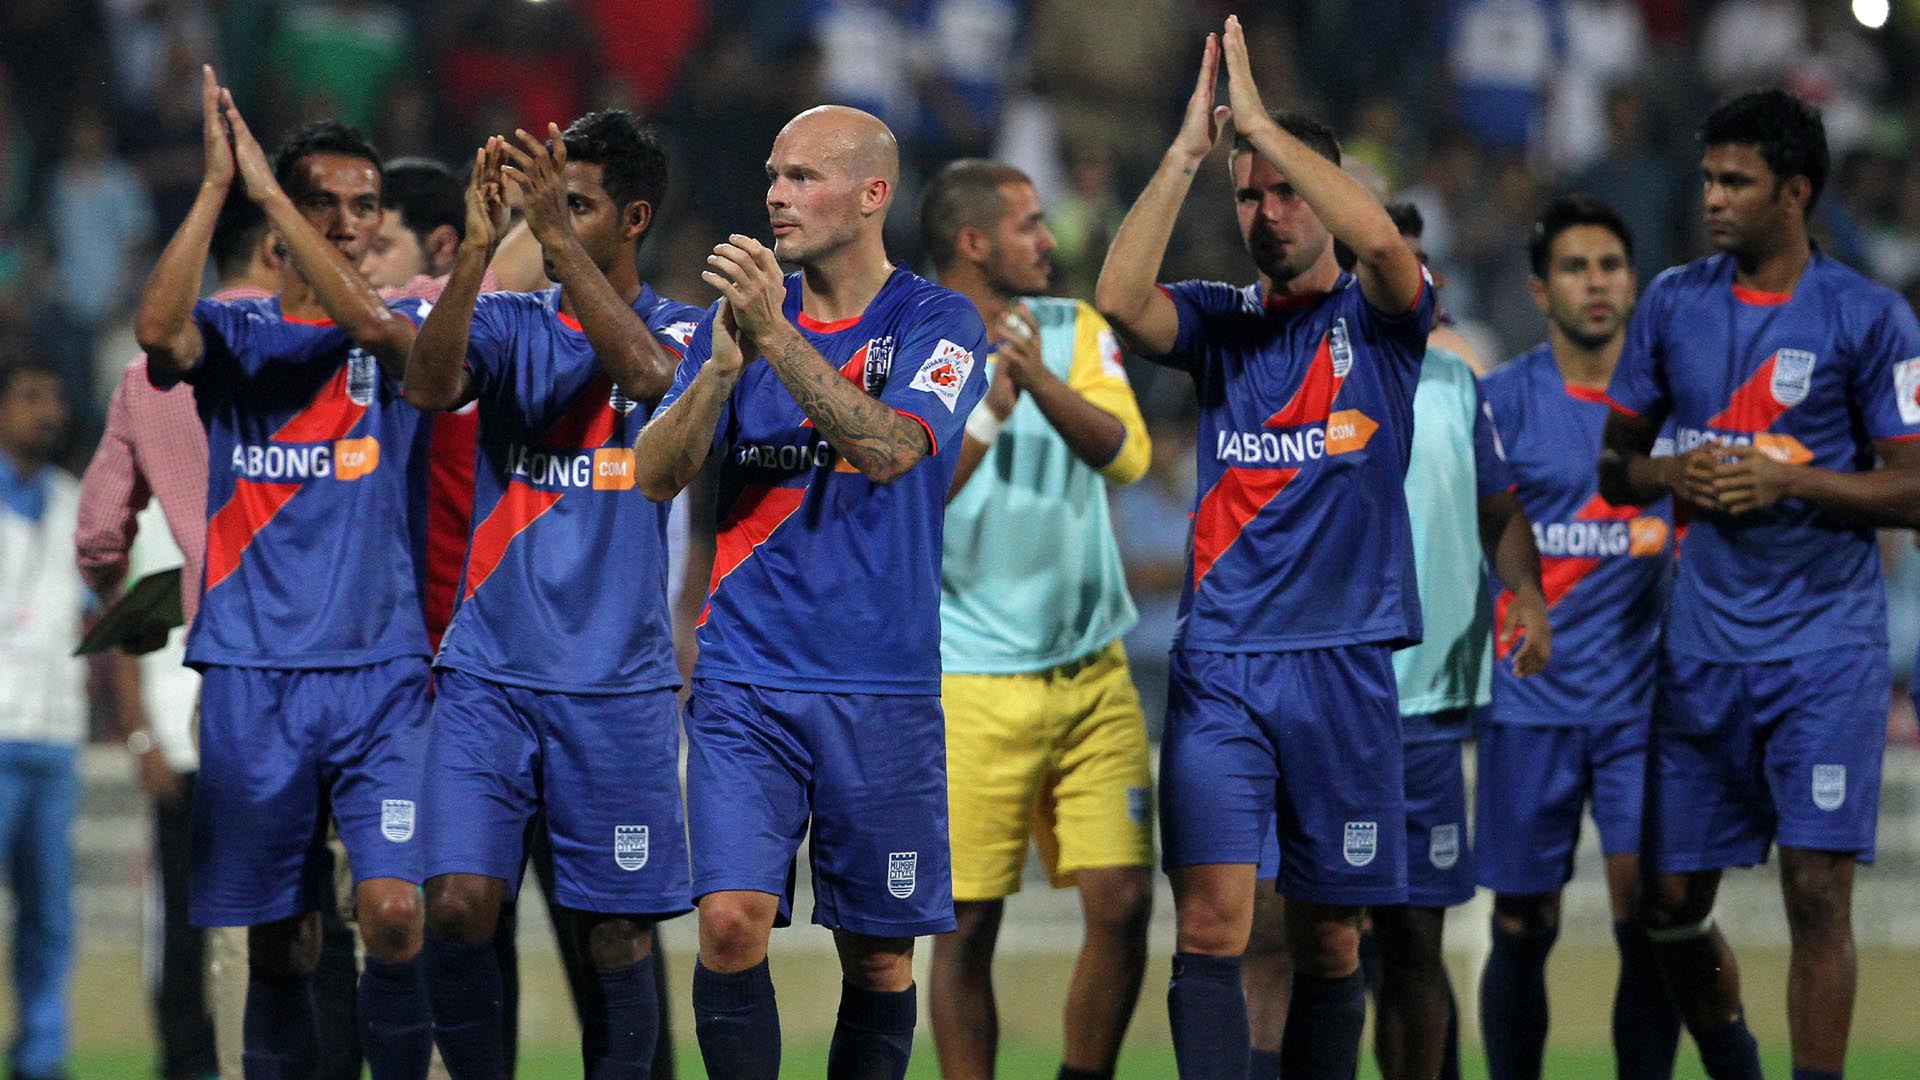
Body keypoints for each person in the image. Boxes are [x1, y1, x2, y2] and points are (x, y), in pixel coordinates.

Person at [1094, 18, 1436, 1077]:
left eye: (1285, 190)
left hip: (1344, 661)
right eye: (1250, 197)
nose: (1267, 213)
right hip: (1226, 667)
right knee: (1210, 925)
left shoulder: (1381, 321)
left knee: (1334, 936)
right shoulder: (1220, 321)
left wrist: (1274, 133)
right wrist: (1191, 153)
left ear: (1324, 193)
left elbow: (1382, 246)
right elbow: (1115, 301)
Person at [632, 104, 987, 1080]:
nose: (775, 196)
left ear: (873, 195)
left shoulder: (939, 322)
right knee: (731, 924)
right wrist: (715, 375)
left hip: (884, 687)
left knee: (878, 958)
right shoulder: (733, 325)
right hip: (748, 679)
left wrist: (779, 340)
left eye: (801, 178)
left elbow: (888, 450)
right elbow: (654, 475)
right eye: (773, 175)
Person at [1600, 88, 1920, 1080]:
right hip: (1700, 653)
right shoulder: (1672, 304)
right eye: (1706, 179)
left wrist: (1793, 479)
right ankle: (1736, 1060)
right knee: (1668, 906)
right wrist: (1668, 474)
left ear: (1795, 192)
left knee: (1816, 893)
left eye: (1735, 181)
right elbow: (1616, 466)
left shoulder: (1871, 317)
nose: (1712, 198)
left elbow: (1915, 488)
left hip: (1824, 650)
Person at [132, 67, 434, 1080]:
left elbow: (375, 328)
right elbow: (155, 333)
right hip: (254, 674)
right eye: (324, 206)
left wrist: (274, 197)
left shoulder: (399, 333)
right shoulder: (237, 333)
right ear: (278, 228)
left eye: (364, 208)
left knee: (394, 913)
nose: (348, 225)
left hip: (380, 674)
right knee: (282, 938)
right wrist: (220, 186)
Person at [406, 111, 701, 1080]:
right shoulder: (507, 321)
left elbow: (649, 378)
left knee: (616, 934)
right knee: (452, 904)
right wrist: (482, 249)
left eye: (576, 206)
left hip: (614, 686)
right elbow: (428, 383)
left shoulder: (688, 331)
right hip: (490, 673)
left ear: (635, 218)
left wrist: (558, 246)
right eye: (549, 204)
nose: (554, 221)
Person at [1240, 202, 1551, 1080]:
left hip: (1425, 705)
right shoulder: (1291, 370)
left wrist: (1524, 590)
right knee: (1282, 930)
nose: (1402, 282)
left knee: (1415, 940)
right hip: (1309, 694)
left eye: (1411, 266)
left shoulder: (1459, 385)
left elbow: (1501, 508)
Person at [918, 158, 1156, 1080]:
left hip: (1094, 672)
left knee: (1126, 902)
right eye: (1028, 224)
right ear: (974, 243)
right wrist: (984, 412)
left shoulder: (1074, 329)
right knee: (968, 922)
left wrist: (1040, 384)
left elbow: (1127, 457)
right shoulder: (912, 346)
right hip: (970, 679)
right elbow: (910, 498)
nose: (1049, 241)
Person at [1478, 193, 1683, 1080]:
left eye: (1609, 265)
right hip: (1532, 701)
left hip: (1645, 707)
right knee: (1524, 921)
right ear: (1539, 288)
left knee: (1652, 916)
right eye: (1574, 267)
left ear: (1632, 281)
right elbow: (1476, 529)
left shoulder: (1676, 400)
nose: (1595, 283)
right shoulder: (1502, 403)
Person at [74, 194, 279, 1080]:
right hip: (313, 687)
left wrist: (146, 728)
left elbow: (101, 557)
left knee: (204, 922)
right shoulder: (314, 366)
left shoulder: (147, 399)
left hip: (205, 702)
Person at [0, 356, 100, 1080]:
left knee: (49, 917)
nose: (48, 412)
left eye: (55, 399)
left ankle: (42, 1055)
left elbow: (94, 613)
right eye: (31, 398)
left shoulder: (73, 500)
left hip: (54, 735)